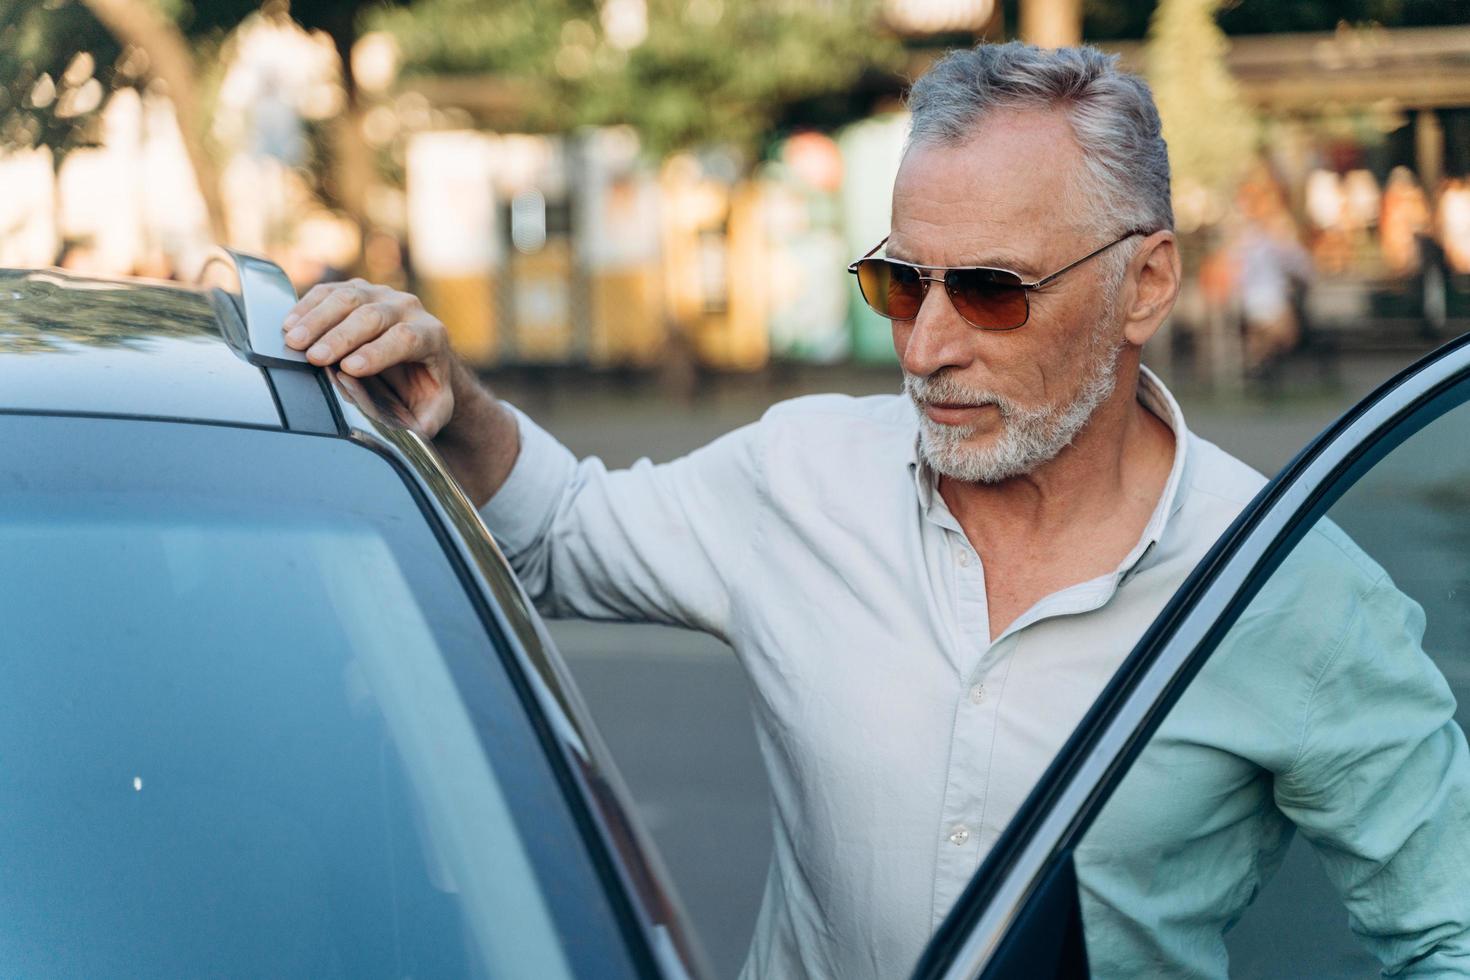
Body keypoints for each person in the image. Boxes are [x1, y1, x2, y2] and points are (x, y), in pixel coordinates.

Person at [281, 42, 1470, 979]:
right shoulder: (802, 472)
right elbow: (557, 536)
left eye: (992, 291)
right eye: (900, 282)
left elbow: (1446, 933)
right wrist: (456, 401)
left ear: (1144, 281)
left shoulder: (1292, 589)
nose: (930, 345)